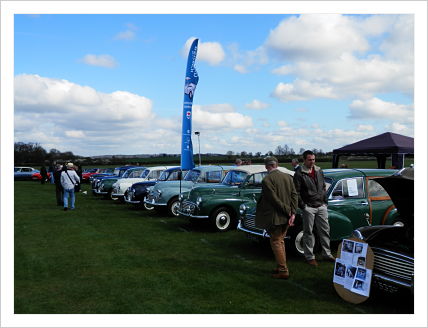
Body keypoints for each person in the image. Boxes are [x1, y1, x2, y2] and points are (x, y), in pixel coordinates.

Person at [255, 156, 298, 279]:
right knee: (280, 241)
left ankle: (283, 270)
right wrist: (293, 213)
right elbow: (295, 195)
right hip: (286, 217)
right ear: (277, 164)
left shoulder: (267, 180)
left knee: (276, 242)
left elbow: (274, 200)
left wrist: (289, 212)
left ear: (266, 166)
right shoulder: (288, 177)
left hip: (277, 218)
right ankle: (281, 266)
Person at [293, 150, 335, 266]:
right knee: (308, 232)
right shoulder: (299, 173)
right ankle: (309, 256)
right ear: (304, 160)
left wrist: (325, 202)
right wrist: (303, 206)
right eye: (309, 160)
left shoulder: (319, 170)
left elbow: (323, 187)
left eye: (313, 159)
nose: (312, 162)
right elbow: (295, 192)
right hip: (308, 207)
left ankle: (326, 253)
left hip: (321, 206)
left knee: (325, 230)